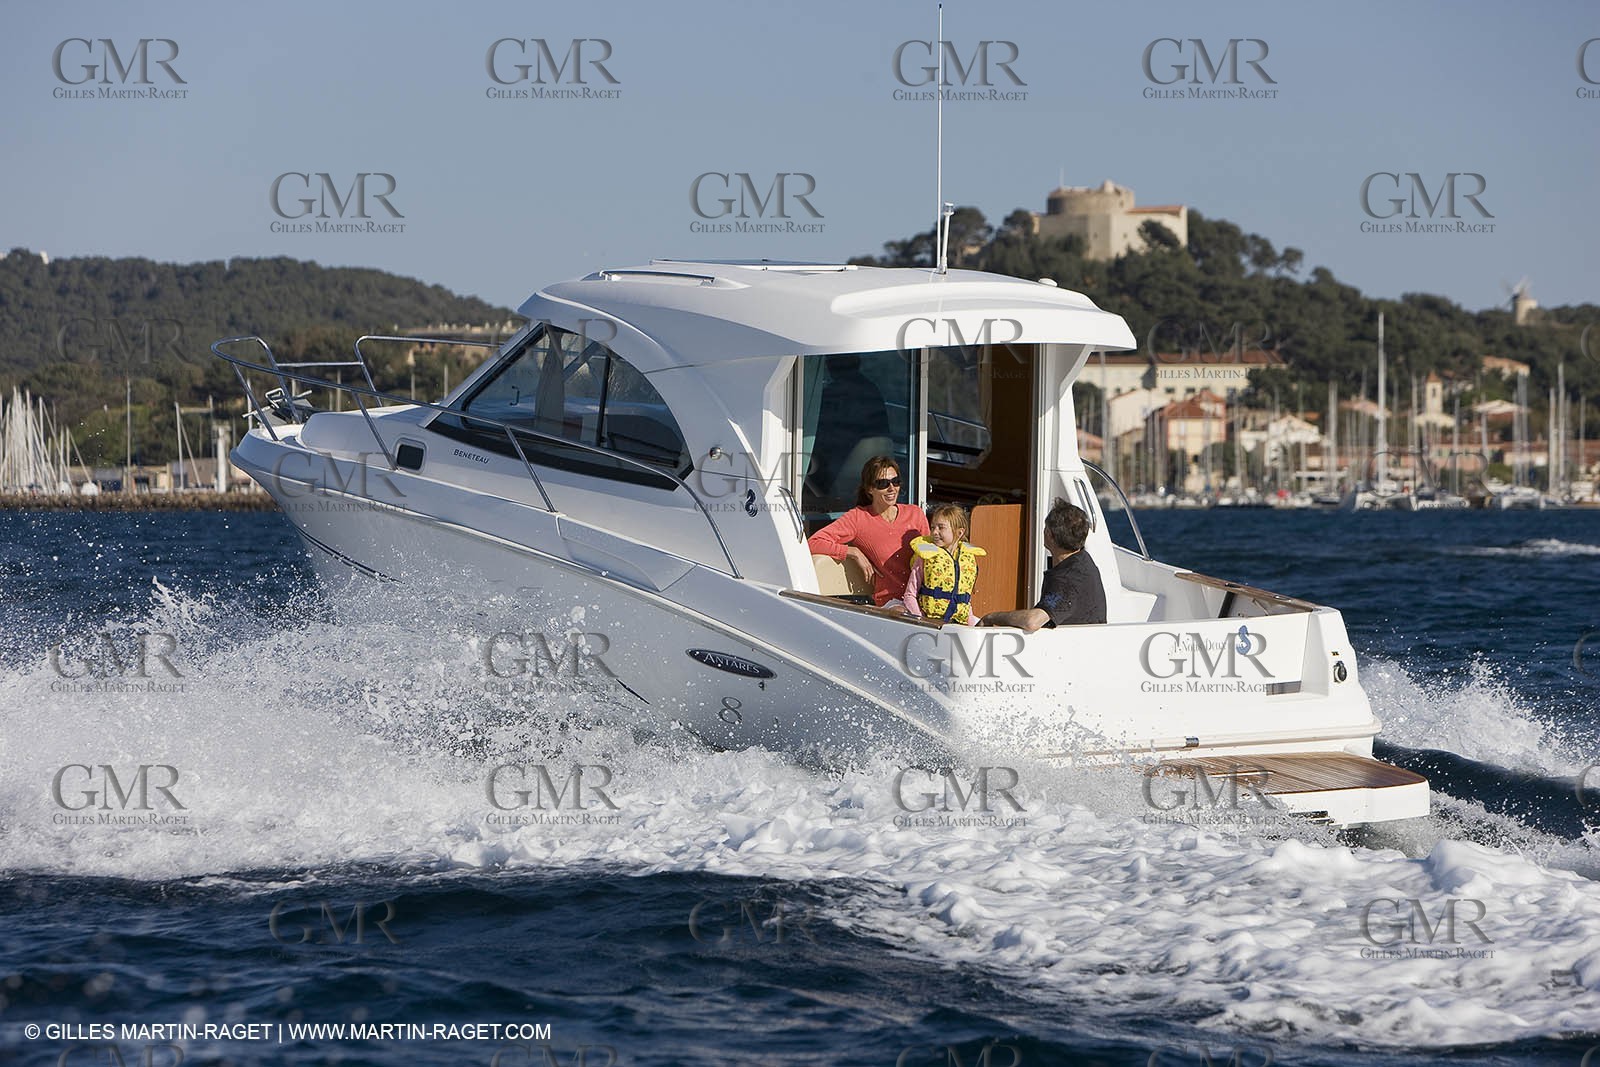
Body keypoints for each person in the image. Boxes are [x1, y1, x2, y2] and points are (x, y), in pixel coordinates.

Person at [807, 456, 928, 607]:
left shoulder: (915, 513)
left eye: (895, 481)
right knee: (907, 618)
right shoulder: (858, 518)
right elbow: (813, 543)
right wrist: (852, 552)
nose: (892, 488)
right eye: (883, 484)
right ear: (870, 488)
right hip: (893, 602)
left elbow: (931, 557)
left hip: (924, 598)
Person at [978, 499, 1106, 631]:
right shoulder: (1083, 560)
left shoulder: (1068, 579)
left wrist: (991, 617)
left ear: (1049, 534)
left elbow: (1032, 621)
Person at [902, 504, 985, 625]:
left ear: (959, 532)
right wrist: (920, 621)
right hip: (930, 623)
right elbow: (910, 595)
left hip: (958, 625)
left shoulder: (967, 559)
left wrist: (971, 627)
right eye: (933, 527)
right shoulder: (925, 557)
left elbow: (965, 600)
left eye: (941, 528)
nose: (935, 532)